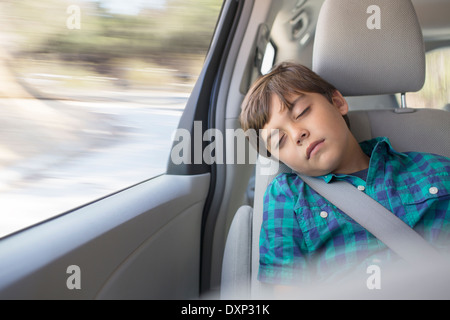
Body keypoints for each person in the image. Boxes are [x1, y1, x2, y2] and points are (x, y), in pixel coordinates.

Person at [239, 61, 450, 288]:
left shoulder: (435, 169)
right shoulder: (287, 196)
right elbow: (286, 291)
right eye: (279, 141)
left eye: (302, 112)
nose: (297, 134)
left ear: (338, 102)